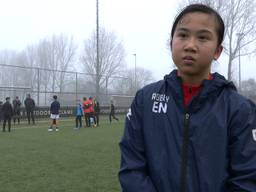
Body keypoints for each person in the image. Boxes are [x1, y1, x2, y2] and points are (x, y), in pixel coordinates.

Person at [119, 4, 256, 192]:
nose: (190, 45)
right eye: (183, 35)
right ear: (171, 43)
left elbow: (247, 178)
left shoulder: (239, 109)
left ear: (217, 51)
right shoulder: (145, 100)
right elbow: (131, 169)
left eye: (203, 37)